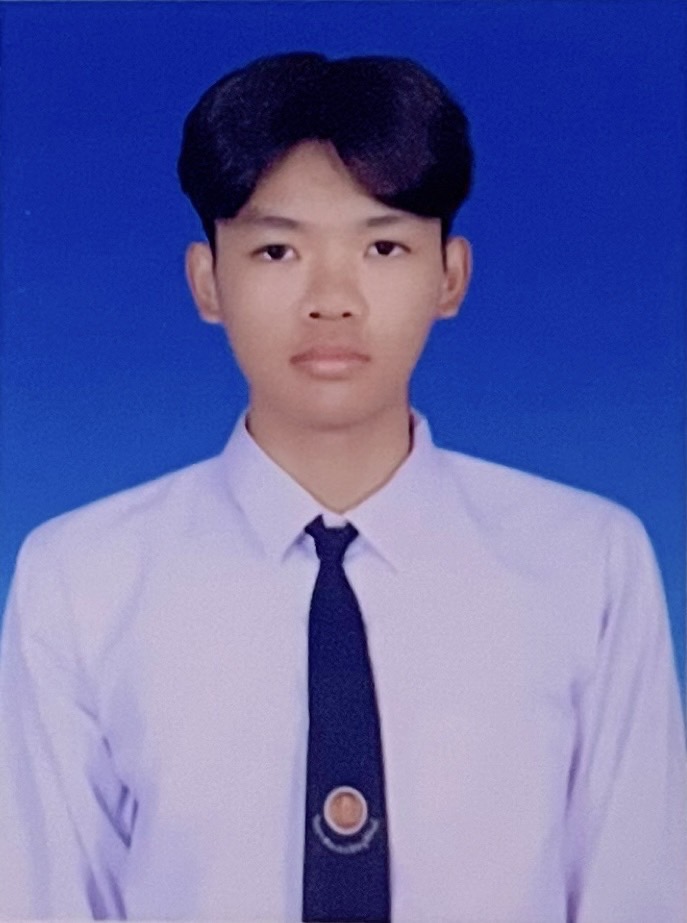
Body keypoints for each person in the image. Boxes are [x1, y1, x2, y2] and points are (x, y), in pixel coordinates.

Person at [0, 51, 685, 922]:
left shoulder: (587, 563)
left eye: (382, 246)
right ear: (208, 281)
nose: (332, 299)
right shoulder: (81, 578)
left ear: (450, 276)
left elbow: (640, 894)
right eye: (277, 249)